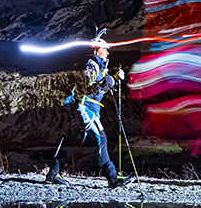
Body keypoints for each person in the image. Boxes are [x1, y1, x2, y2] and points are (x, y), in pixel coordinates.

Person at [47, 29, 135, 188]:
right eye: (104, 50)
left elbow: (100, 85)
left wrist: (113, 79)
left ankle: (53, 173)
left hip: (90, 109)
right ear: (96, 51)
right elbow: (89, 87)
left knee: (75, 140)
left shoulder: (97, 66)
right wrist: (107, 82)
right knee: (101, 138)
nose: (107, 53)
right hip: (85, 108)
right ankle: (112, 177)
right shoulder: (90, 65)